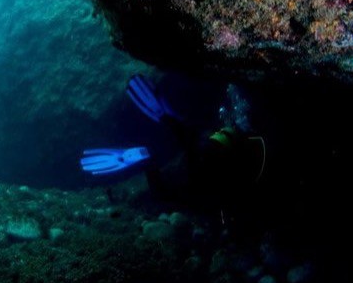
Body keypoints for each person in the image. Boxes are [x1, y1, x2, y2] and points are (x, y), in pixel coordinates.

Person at [80, 75, 266, 209]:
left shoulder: (236, 148)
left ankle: (160, 135)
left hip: (207, 162)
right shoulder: (248, 157)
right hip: (210, 171)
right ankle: (151, 157)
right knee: (171, 191)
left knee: (187, 144)